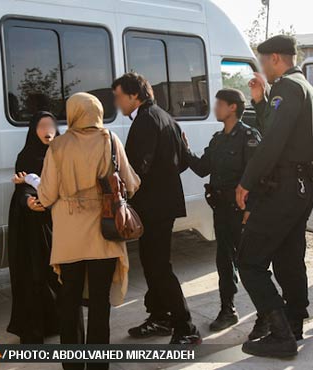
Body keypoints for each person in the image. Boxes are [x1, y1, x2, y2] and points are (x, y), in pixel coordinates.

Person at [38, 93, 140, 370]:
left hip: (69, 236)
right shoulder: (110, 140)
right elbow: (130, 183)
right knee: (99, 303)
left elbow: (46, 196)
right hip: (104, 231)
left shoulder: (57, 146)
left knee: (69, 303)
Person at [235, 34, 313, 358]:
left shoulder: (286, 87)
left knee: (249, 261)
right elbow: (280, 127)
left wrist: (246, 182)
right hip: (300, 187)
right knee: (288, 258)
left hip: (283, 187)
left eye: (262, 61)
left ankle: (281, 335)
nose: (262, 69)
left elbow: (272, 142)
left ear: (274, 59)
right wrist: (259, 100)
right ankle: (294, 322)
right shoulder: (304, 86)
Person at [112, 73, 201, 345]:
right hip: (162, 204)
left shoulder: (146, 120)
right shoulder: (165, 116)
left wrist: (123, 189)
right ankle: (161, 316)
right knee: (152, 265)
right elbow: (181, 160)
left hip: (154, 207)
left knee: (159, 267)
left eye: (118, 96)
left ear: (134, 95)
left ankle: (186, 328)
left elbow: (138, 169)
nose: (117, 102)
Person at [182, 88, 261, 332]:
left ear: (233, 107)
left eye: (219, 104)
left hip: (241, 211)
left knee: (250, 263)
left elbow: (259, 176)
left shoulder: (249, 137)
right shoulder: (218, 139)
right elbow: (201, 168)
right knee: (224, 262)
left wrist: (251, 210)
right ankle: (228, 310)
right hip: (221, 210)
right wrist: (183, 149)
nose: (215, 108)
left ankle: (267, 315)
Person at [7, 111, 60, 344]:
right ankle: (33, 329)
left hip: (55, 221)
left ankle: (55, 322)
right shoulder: (26, 154)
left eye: (50, 126)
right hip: (30, 225)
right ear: (33, 130)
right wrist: (28, 200)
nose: (47, 131)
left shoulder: (61, 153)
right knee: (32, 276)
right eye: (41, 126)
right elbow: (21, 188)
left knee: (54, 274)